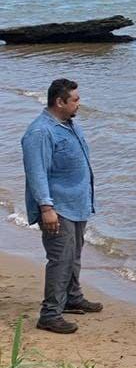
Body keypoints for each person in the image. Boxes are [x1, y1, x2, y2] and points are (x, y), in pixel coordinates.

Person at [21, 79, 102, 334]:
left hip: (77, 203)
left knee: (74, 254)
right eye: (75, 100)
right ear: (60, 102)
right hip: (58, 207)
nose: (79, 103)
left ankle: (72, 298)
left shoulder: (69, 125)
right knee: (60, 259)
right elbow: (37, 173)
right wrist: (46, 208)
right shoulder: (40, 132)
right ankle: (50, 314)